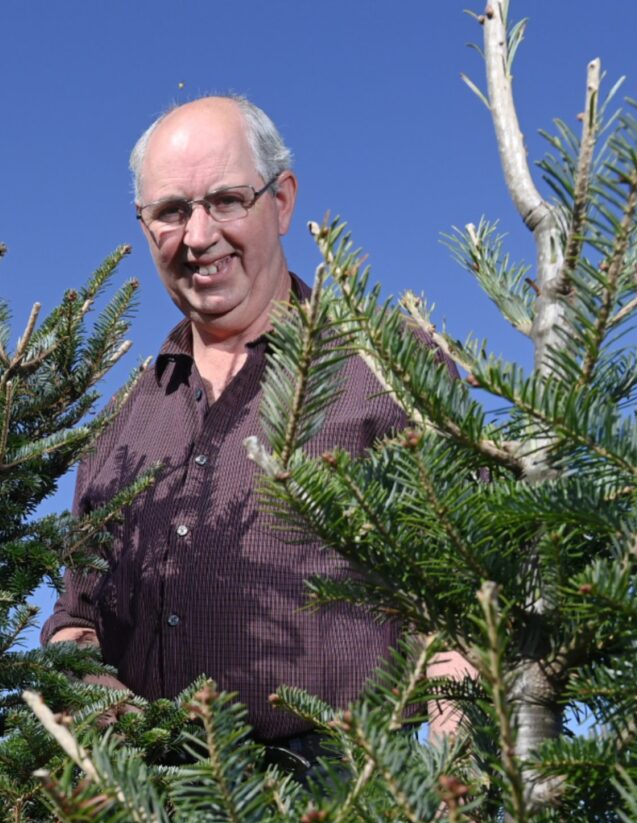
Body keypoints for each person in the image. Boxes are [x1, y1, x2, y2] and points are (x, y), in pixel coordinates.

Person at [42, 96, 466, 759]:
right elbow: (76, 620)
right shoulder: (123, 420)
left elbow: (468, 612)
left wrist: (450, 803)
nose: (199, 236)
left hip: (350, 803)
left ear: (283, 200)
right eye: (171, 212)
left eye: (226, 200)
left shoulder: (387, 367)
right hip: (149, 804)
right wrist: (109, 724)